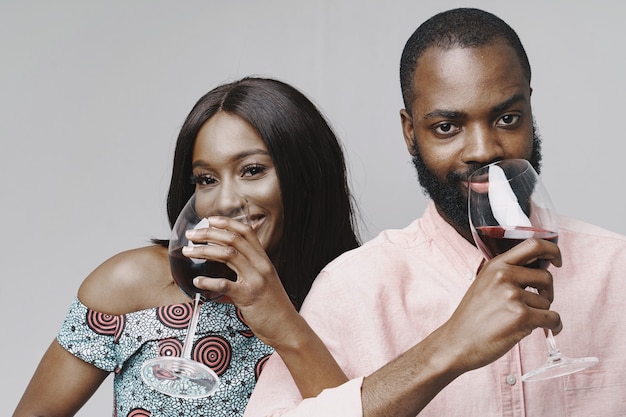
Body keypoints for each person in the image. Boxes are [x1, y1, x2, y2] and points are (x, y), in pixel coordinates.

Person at [244, 8, 626, 417]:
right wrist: (448, 348)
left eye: (507, 118)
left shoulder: (617, 272)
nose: (483, 150)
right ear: (411, 133)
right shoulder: (351, 292)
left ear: (531, 111)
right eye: (447, 127)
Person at [13, 77, 358, 417]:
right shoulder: (131, 285)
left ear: (309, 175)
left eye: (252, 170)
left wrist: (284, 325)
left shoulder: (356, 295)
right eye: (206, 179)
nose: (224, 201)